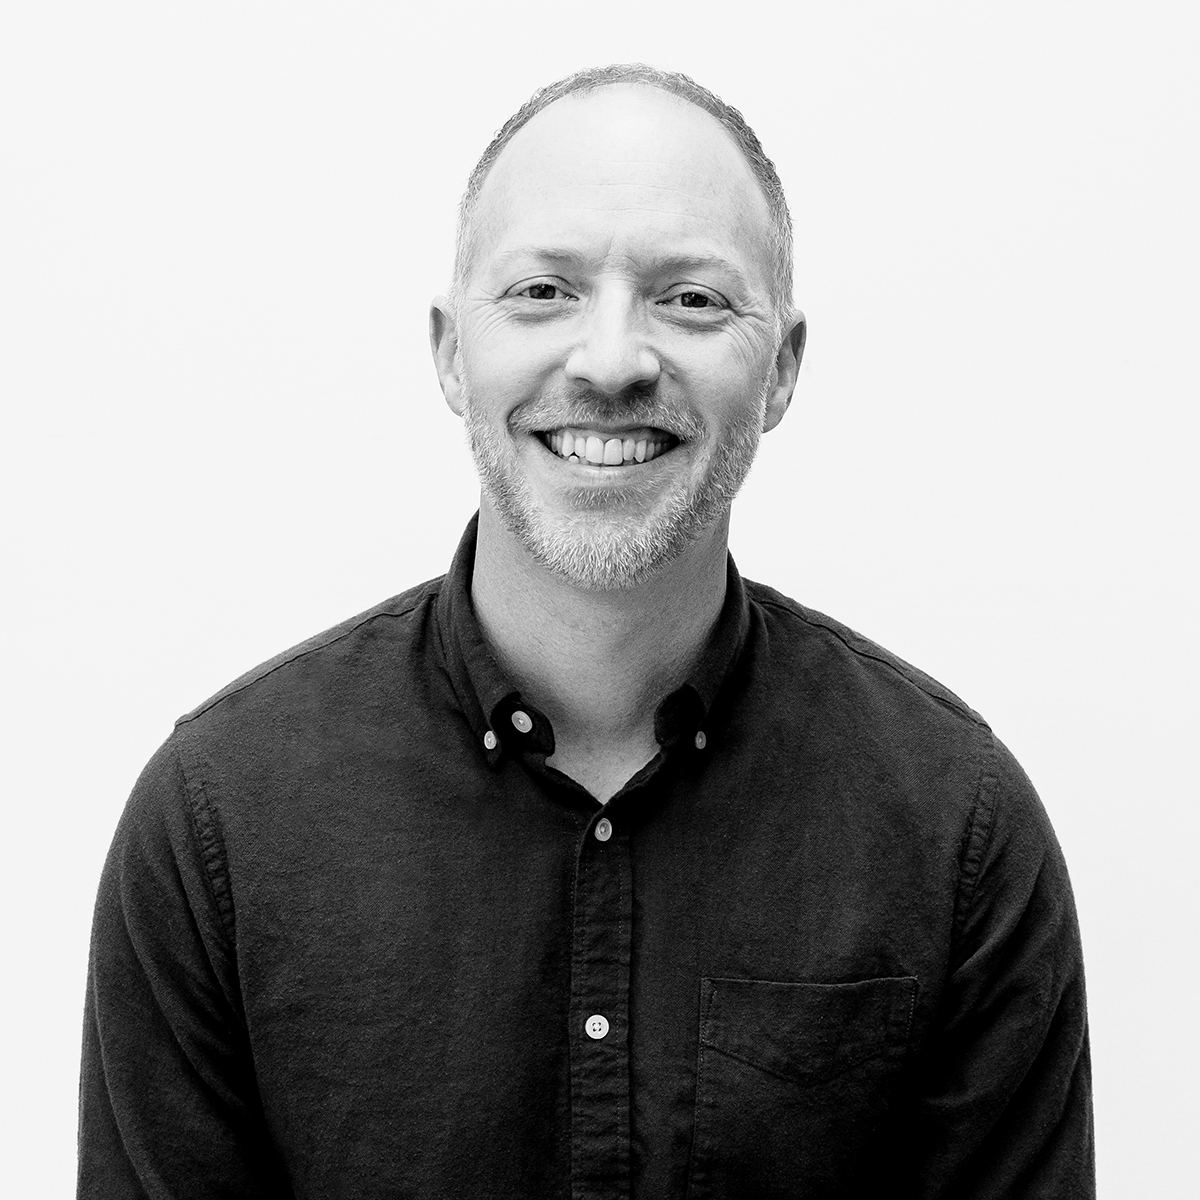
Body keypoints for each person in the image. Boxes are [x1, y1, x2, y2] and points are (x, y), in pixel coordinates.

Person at [79, 64, 1094, 1198]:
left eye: (691, 299)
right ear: (450, 352)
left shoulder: (957, 832)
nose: (611, 360)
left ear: (782, 369)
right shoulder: (219, 822)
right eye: (543, 291)